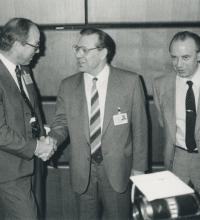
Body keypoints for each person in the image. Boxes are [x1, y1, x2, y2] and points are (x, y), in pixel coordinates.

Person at [49, 28, 148, 220]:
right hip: (82, 172)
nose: (78, 54)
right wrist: (52, 139)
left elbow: (141, 129)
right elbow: (61, 122)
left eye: (84, 50)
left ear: (103, 52)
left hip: (118, 171)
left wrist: (140, 169)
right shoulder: (67, 85)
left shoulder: (130, 82)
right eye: (77, 48)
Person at [152, 31, 200, 219]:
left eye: (185, 57)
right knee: (174, 210)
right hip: (177, 157)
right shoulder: (161, 84)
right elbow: (162, 122)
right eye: (174, 58)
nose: (178, 64)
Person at [0, 17, 56, 220]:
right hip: (8, 174)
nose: (39, 51)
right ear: (17, 44)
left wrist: (43, 136)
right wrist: (35, 147)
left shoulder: (23, 69)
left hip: (33, 168)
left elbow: (31, 110)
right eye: (36, 45)